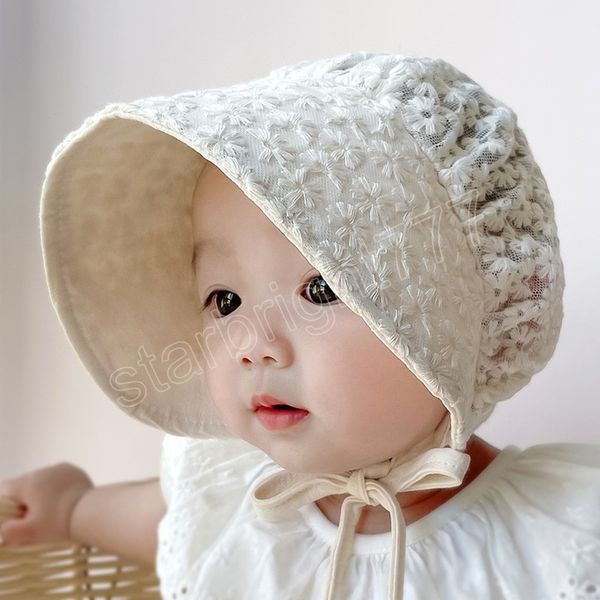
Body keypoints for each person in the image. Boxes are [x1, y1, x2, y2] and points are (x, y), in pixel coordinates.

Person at [1, 51, 599, 599]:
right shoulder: (238, 506)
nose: (252, 347)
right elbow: (167, 523)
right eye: (225, 299)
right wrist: (72, 507)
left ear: (453, 316)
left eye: (320, 289)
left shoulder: (558, 540)